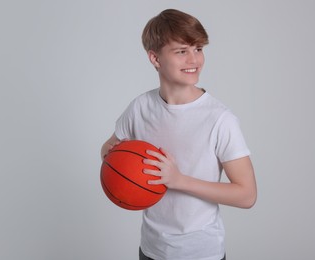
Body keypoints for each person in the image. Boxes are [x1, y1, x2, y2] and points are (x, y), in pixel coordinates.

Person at [100, 9, 257, 260]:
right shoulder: (140, 107)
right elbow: (109, 147)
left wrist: (178, 179)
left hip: (201, 253)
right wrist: (114, 157)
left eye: (199, 49)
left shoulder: (219, 119)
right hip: (151, 249)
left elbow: (247, 195)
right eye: (182, 51)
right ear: (155, 58)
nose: (194, 60)